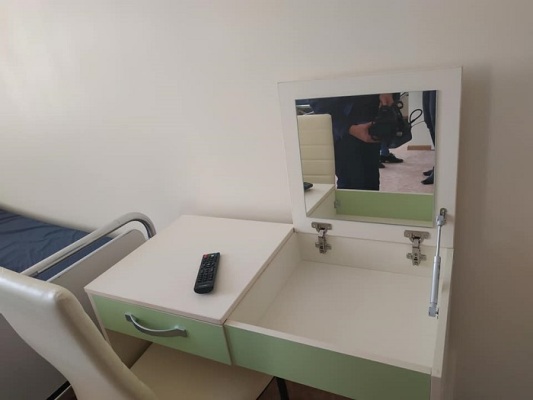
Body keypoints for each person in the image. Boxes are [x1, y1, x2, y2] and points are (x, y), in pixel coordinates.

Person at [309, 93, 394, 190]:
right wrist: (347, 128)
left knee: (371, 180)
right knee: (351, 183)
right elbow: (317, 99)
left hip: (371, 121)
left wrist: (386, 91)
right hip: (343, 130)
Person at [422, 90, 437, 185]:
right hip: (427, 85)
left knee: (436, 121)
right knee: (428, 121)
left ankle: (440, 167)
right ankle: (438, 165)